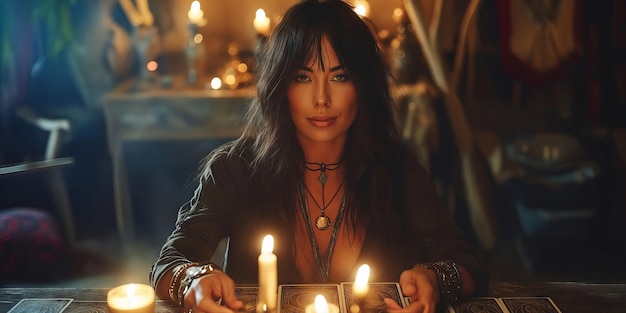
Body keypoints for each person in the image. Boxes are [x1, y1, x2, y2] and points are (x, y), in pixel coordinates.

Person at [149, 0, 488, 312]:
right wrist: (191, 280)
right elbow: (171, 261)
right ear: (281, 85)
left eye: (340, 77)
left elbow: (466, 262)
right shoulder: (236, 168)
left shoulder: (397, 169)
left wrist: (435, 279)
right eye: (303, 77)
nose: (321, 98)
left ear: (364, 84)